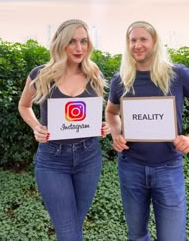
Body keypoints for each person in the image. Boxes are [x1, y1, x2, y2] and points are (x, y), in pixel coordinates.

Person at [105, 20, 189, 241]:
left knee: (173, 237)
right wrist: (116, 134)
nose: (137, 45)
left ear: (155, 42)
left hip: (168, 168)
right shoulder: (121, 80)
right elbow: (111, 113)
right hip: (131, 168)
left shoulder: (177, 74)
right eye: (132, 40)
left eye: (143, 39)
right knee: (137, 235)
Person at [18, 19, 110, 241]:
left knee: (73, 226)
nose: (79, 48)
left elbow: (96, 113)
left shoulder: (93, 73)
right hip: (52, 160)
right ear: (61, 44)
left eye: (84, 41)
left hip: (89, 158)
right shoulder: (41, 75)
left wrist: (103, 125)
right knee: (68, 232)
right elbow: (24, 105)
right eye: (72, 41)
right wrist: (36, 126)